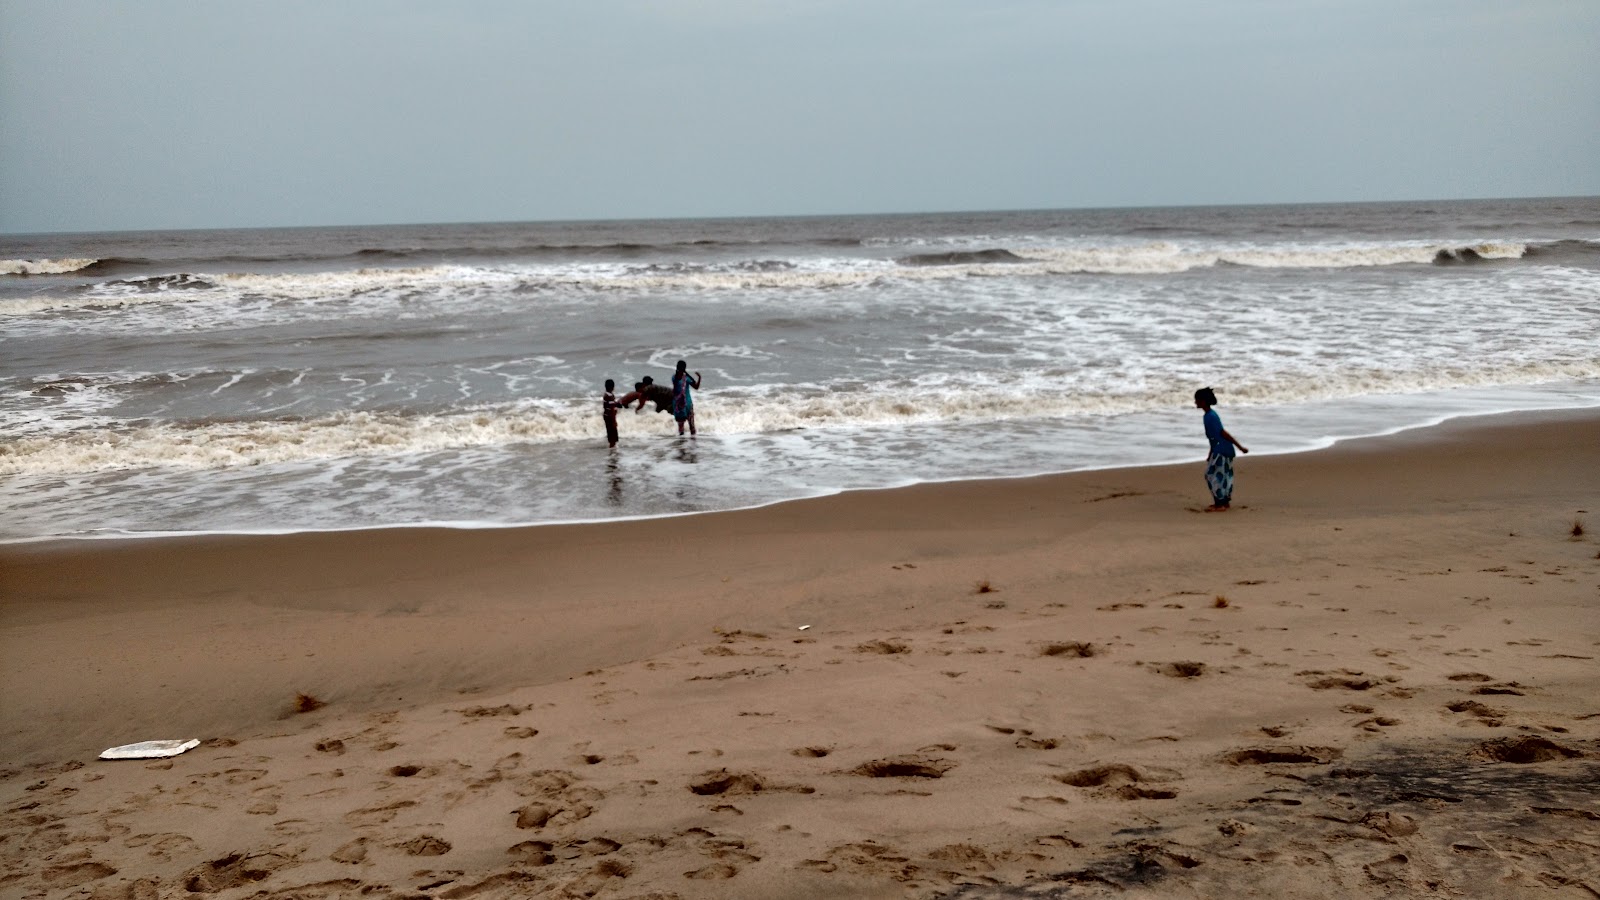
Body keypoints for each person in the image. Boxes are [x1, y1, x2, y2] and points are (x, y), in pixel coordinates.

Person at [1195, 387, 1248, 511]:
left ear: (1202, 401)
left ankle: (1220, 504)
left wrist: (1240, 447)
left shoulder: (1210, 416)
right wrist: (1210, 454)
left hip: (1222, 449)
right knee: (1223, 475)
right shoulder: (1209, 415)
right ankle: (1224, 502)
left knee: (1212, 475)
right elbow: (1214, 438)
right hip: (1221, 449)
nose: (1195, 403)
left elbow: (1222, 433)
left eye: (1196, 400)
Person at [670, 360, 703, 436]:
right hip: (687, 403)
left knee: (681, 427)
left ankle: (681, 444)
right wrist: (699, 378)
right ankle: (693, 445)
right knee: (692, 426)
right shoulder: (687, 378)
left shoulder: (674, 378)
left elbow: (675, 390)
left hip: (678, 404)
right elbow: (696, 387)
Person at [601, 379, 620, 448]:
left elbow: (610, 405)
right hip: (610, 417)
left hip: (607, 416)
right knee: (612, 435)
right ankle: (612, 448)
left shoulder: (607, 395)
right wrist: (614, 421)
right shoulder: (609, 396)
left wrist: (616, 404)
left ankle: (612, 448)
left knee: (611, 434)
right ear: (613, 387)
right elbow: (611, 409)